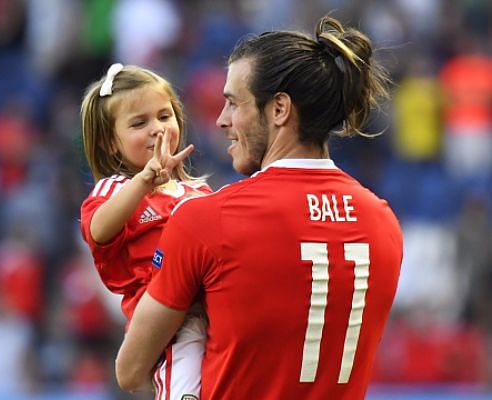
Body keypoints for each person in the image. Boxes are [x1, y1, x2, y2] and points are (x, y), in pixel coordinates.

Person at [116, 16, 403, 400]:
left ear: (279, 109)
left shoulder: (207, 220)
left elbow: (131, 370)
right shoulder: (382, 221)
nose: (221, 120)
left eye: (234, 103)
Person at [79, 63, 212, 399]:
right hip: (171, 324)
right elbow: (98, 229)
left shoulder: (198, 193)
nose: (157, 129)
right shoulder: (116, 189)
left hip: (217, 313)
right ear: (111, 143)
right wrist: (143, 182)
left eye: (164, 116)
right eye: (139, 123)